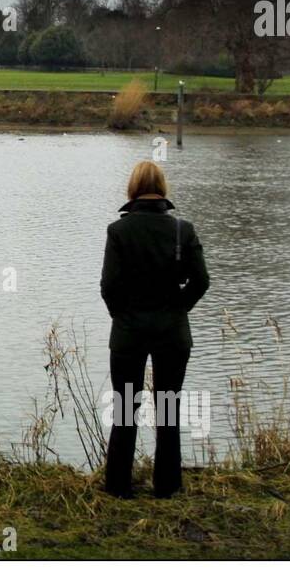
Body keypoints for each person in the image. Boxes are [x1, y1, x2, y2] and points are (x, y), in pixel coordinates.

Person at [99, 160, 210, 498]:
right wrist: (178, 309)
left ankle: (118, 488)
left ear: (132, 190)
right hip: (172, 334)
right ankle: (167, 487)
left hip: (128, 333)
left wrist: (123, 316)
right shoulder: (183, 230)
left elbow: (109, 286)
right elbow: (201, 281)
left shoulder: (118, 231)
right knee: (167, 409)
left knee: (125, 410)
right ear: (163, 189)